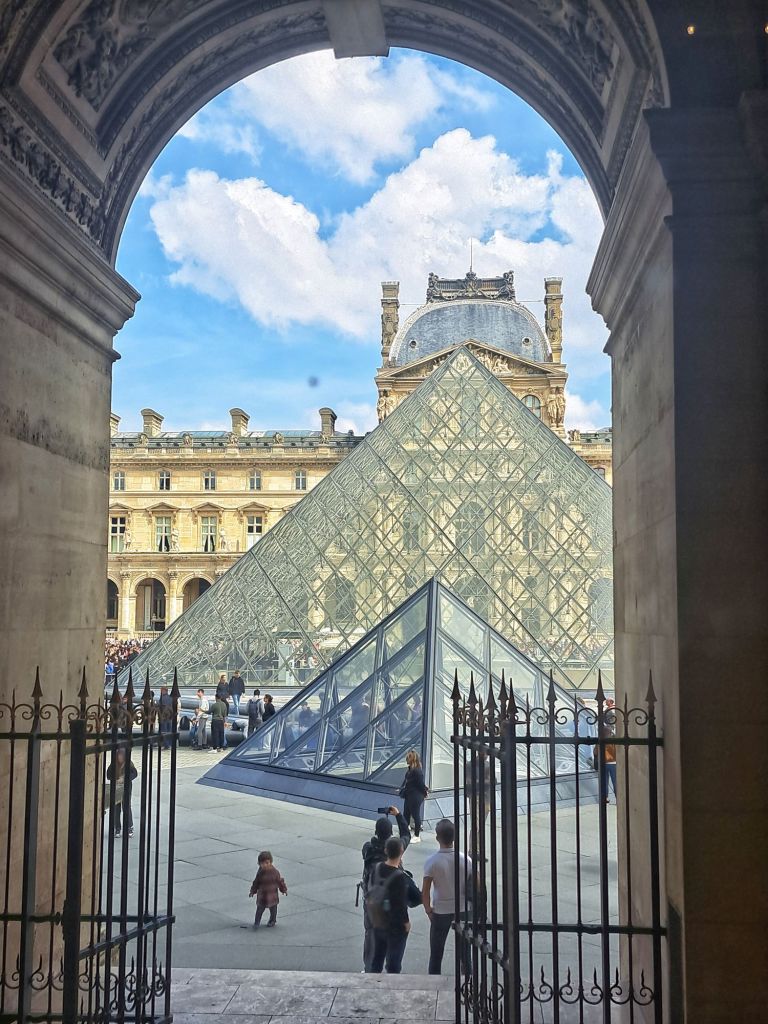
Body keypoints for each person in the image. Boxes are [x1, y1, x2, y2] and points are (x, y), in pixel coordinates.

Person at [361, 806, 411, 971]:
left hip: (372, 901)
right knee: (393, 939)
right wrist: (398, 815)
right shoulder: (395, 847)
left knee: (370, 934)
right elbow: (406, 834)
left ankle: (369, 969)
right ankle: (391, 970)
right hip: (392, 905)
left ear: (376, 832)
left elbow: (370, 845)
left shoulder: (368, 848)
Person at [422, 818, 473, 974]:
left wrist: (428, 909)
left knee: (436, 954)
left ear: (437, 838)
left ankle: (433, 984)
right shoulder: (467, 860)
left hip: (441, 909)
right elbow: (476, 885)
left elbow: (425, 890)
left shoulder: (432, 862)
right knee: (465, 953)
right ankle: (468, 983)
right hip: (463, 907)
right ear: (454, 837)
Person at [369, 836, 422, 974]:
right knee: (394, 962)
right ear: (401, 851)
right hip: (395, 926)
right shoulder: (400, 877)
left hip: (378, 919)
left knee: (377, 958)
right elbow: (403, 903)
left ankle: (372, 982)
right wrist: (406, 923)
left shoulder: (377, 868)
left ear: (386, 850)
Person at [248, 850, 288, 927]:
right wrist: (253, 891)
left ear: (270, 862)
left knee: (273, 909)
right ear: (259, 864)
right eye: (262, 863)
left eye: (267, 863)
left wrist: (283, 889)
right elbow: (256, 882)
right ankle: (257, 922)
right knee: (259, 909)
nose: (265, 865)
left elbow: (280, 881)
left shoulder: (275, 872)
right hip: (262, 895)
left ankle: (272, 920)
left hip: (272, 895)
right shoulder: (260, 872)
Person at [106, 748, 137, 838]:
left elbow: (134, 773)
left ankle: (129, 827)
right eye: (119, 755)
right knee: (117, 807)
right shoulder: (113, 765)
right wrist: (115, 779)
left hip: (126, 788)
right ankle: (117, 828)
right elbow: (108, 775)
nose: (120, 757)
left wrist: (125, 778)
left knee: (126, 806)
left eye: (122, 755)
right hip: (116, 789)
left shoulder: (129, 764)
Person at [400, 750, 428, 843]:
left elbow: (420, 784)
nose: (406, 760)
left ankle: (417, 835)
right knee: (406, 814)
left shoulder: (417, 771)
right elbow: (407, 781)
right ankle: (405, 833)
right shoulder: (411, 769)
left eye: (407, 758)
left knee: (416, 815)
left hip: (415, 796)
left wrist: (425, 792)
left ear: (411, 759)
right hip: (409, 794)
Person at [157, 685, 174, 751]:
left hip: (163, 716)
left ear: (163, 691)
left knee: (164, 731)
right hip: (170, 716)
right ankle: (169, 744)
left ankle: (166, 745)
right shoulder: (171, 698)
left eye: (161, 691)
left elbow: (160, 707)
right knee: (169, 730)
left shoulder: (162, 698)